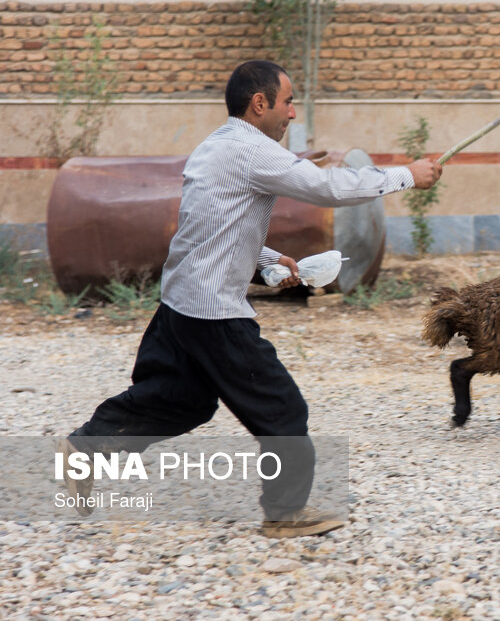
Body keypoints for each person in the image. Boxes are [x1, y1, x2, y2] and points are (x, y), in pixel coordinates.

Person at [58, 60, 442, 538]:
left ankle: (86, 449)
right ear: (259, 104)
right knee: (283, 410)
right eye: (287, 102)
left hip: (181, 304)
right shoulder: (250, 149)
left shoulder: (215, 146)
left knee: (182, 401)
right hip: (215, 312)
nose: (292, 114)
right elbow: (325, 187)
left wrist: (267, 261)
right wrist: (407, 174)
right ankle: (284, 514)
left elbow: (209, 227)